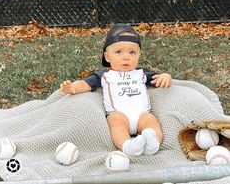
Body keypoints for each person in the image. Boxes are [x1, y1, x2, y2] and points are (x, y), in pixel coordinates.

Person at [59, 23, 172, 157]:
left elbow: (158, 79)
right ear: (107, 57)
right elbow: (85, 84)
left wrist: (166, 76)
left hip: (142, 114)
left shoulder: (141, 74)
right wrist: (71, 88)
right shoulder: (104, 76)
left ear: (139, 55)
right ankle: (127, 145)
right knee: (116, 122)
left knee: (151, 121)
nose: (126, 57)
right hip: (119, 114)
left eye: (132, 52)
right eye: (119, 52)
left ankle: (153, 144)